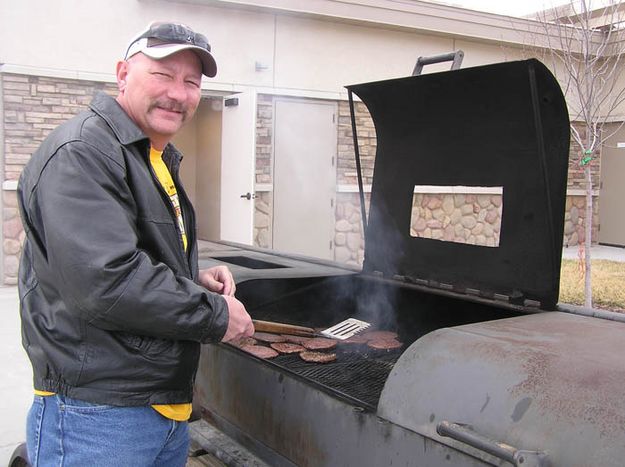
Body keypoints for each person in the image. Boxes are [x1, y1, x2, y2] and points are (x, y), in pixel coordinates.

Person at [17, 21, 254, 466]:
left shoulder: (149, 154)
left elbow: (128, 251)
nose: (178, 93)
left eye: (191, 82)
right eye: (163, 75)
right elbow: (106, 282)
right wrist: (215, 314)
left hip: (155, 409)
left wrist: (192, 277)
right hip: (97, 416)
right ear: (123, 74)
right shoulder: (83, 153)